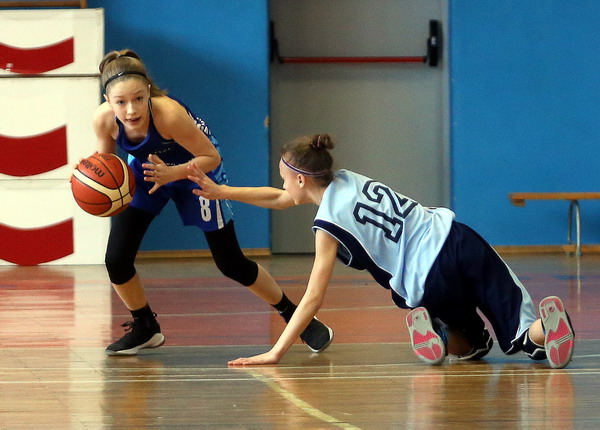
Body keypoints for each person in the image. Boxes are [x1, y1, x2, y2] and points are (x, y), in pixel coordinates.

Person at [187, 133, 575, 369]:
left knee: (467, 340)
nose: (282, 184)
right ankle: (544, 329)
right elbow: (280, 198)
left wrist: (276, 351)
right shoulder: (346, 178)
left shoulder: (327, 226)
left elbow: (313, 298)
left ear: (301, 180)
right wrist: (223, 191)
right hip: (457, 238)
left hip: (426, 279)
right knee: (518, 327)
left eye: (284, 177)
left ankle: (442, 335)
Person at [92, 50, 333, 356]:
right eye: (121, 102)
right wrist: (94, 185)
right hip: (150, 171)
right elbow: (107, 166)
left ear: (149, 92)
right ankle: (145, 327)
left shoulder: (169, 115)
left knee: (230, 262)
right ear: (107, 100)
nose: (130, 110)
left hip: (196, 171)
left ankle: (294, 315)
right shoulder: (103, 120)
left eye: (139, 98)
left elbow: (211, 157)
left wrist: (174, 173)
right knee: (116, 259)